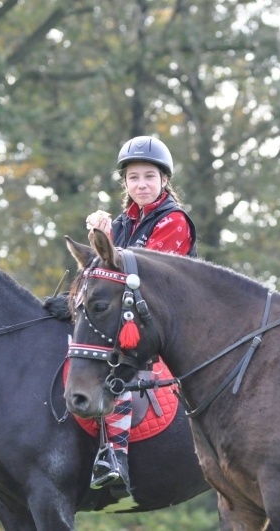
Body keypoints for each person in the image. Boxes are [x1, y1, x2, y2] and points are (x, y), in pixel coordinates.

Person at [83, 135, 197, 497]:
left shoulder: (174, 220)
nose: (141, 185)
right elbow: (104, 276)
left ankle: (114, 455)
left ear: (164, 180)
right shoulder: (121, 223)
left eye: (149, 176)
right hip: (129, 315)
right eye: (133, 178)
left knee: (120, 367)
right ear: (125, 183)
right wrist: (99, 240)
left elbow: (143, 279)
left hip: (164, 320)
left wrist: (107, 245)